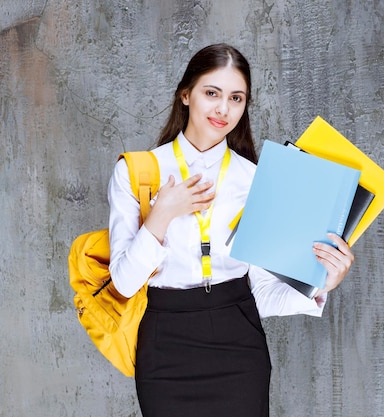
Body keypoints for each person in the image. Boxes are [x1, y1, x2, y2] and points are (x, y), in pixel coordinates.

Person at [107, 43, 354, 417]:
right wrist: (162, 215)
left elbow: (261, 294)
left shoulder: (256, 179)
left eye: (236, 98)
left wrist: (322, 283)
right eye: (212, 93)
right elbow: (124, 285)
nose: (224, 109)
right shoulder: (136, 172)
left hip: (238, 343)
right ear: (185, 94)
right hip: (165, 342)